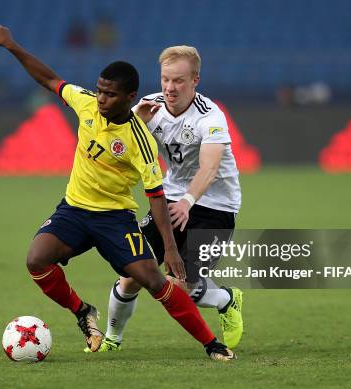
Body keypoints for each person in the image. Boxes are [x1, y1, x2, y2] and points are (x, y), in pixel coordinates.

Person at [0, 25, 234, 361]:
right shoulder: (86, 103)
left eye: (110, 94)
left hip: (115, 219)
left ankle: (211, 343)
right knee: (36, 260)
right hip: (73, 209)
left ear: (129, 97)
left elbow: (157, 197)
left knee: (155, 282)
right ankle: (83, 312)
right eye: (100, 91)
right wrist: (12, 45)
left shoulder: (139, 140)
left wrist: (171, 250)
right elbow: (49, 79)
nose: (102, 98)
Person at [91, 46, 244, 354]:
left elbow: (210, 167)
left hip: (216, 207)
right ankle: (111, 340)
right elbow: (114, 140)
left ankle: (226, 299)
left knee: (181, 287)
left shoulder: (210, 116)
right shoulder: (150, 108)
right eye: (165, 80)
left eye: (179, 81)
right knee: (132, 274)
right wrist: (133, 123)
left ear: (195, 80)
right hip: (171, 198)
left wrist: (188, 201)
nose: (170, 88)